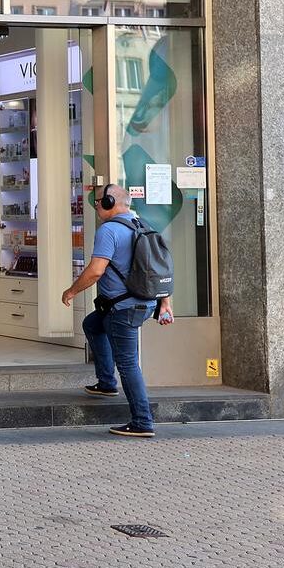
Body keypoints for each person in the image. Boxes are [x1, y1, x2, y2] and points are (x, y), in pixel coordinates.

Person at [60, 184, 174, 439]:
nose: (96, 205)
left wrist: (71, 291)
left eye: (98, 201)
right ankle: (106, 383)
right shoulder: (142, 224)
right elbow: (160, 268)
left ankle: (142, 421)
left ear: (109, 202)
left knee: (128, 363)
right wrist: (165, 302)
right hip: (143, 303)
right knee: (92, 324)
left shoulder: (109, 230)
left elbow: (95, 271)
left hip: (123, 309)